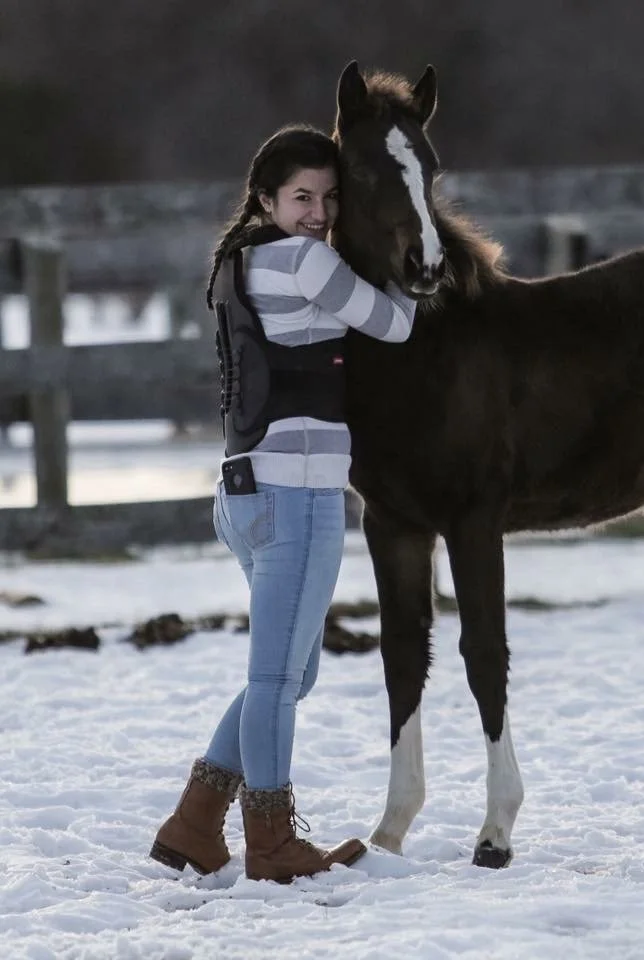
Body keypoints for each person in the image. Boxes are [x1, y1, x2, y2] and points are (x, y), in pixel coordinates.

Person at [149, 125, 417, 884]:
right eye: (302, 197)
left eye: (330, 198)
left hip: (245, 494)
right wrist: (411, 262)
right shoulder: (305, 260)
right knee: (276, 680)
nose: (318, 212)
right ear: (267, 199)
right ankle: (270, 842)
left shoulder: (239, 262)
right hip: (297, 496)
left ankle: (195, 823)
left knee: (290, 675)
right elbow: (394, 323)